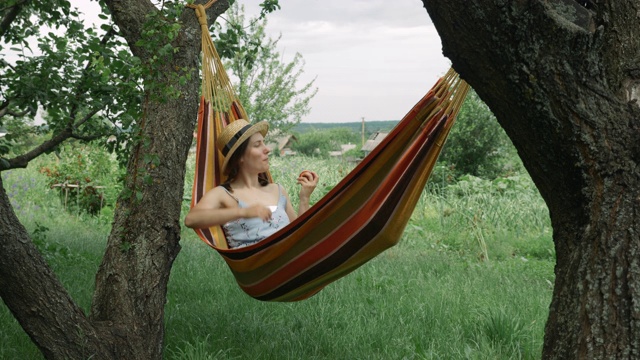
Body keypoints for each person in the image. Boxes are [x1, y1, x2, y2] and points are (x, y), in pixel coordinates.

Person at [184, 119, 319, 249]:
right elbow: (191, 219)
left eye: (264, 143)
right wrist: (243, 212)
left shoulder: (278, 190)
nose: (267, 149)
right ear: (240, 157)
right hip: (259, 266)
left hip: (290, 260)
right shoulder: (223, 194)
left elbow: (299, 235)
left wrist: (304, 198)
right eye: (257, 145)